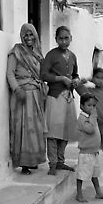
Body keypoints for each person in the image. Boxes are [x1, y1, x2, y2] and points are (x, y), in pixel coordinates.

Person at [6, 23, 47, 175]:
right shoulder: (16, 52)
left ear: (35, 35)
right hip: (22, 96)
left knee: (35, 129)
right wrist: (17, 90)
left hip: (36, 95)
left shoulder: (38, 53)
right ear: (22, 37)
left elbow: (42, 72)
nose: (29, 38)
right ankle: (24, 164)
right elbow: (10, 73)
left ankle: (33, 160)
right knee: (24, 129)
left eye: (31, 35)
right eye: (26, 35)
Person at [40, 25, 81, 175]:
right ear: (56, 39)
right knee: (53, 131)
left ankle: (60, 161)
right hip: (55, 96)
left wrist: (76, 80)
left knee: (66, 130)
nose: (64, 41)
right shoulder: (51, 55)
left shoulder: (72, 56)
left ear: (71, 38)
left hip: (68, 97)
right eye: (60, 38)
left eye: (66, 38)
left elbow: (76, 74)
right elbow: (43, 75)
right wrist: (60, 78)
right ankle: (52, 163)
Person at [75, 93, 103, 202]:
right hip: (85, 152)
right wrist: (93, 117)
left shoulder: (91, 117)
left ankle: (98, 192)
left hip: (94, 151)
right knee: (82, 174)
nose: (92, 108)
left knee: (95, 174)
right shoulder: (82, 119)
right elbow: (90, 130)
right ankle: (79, 194)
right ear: (82, 106)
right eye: (89, 105)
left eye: (94, 106)